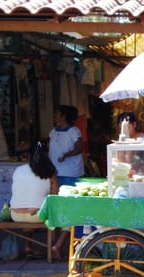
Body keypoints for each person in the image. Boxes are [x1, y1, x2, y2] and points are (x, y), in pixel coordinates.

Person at [10, 142, 59, 257]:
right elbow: (54, 198)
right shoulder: (50, 173)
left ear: (29, 156)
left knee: (30, 211)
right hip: (38, 215)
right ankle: (53, 247)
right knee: (54, 214)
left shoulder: (18, 170)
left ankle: (28, 246)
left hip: (15, 214)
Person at [48, 105, 84, 260]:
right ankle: (59, 244)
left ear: (63, 116)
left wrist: (66, 155)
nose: (55, 115)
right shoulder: (53, 131)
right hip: (55, 174)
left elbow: (79, 147)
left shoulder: (73, 131)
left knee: (70, 209)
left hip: (71, 174)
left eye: (57, 113)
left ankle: (69, 245)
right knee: (59, 210)